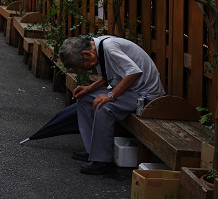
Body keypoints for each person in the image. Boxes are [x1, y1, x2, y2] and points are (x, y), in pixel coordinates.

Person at [58, 36, 165, 175]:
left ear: (86, 54)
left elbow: (134, 72)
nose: (84, 70)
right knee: (84, 98)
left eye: (81, 66)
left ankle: (102, 161)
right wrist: (89, 89)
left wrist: (110, 95)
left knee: (103, 107)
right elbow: (108, 78)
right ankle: (93, 151)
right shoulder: (99, 48)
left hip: (144, 95)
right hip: (129, 90)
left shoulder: (109, 47)